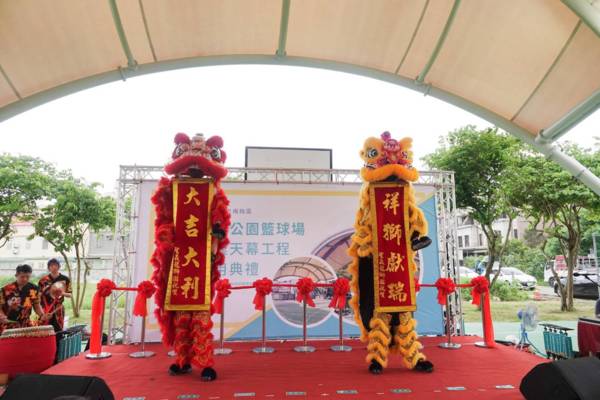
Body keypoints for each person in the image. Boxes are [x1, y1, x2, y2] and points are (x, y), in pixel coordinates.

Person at [0, 264, 47, 333]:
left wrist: (42, 315)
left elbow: (36, 305)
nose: (25, 279)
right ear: (16, 275)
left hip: (25, 324)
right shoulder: (6, 289)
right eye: (22, 277)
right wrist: (1, 316)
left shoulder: (34, 289)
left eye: (27, 277)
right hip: (7, 324)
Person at [38, 258, 72, 332]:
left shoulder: (65, 279)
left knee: (58, 330)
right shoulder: (43, 280)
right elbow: (39, 295)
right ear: (48, 268)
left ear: (59, 267)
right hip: (45, 308)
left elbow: (70, 295)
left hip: (58, 309)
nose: (54, 267)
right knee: (44, 330)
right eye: (51, 265)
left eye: (55, 265)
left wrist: (62, 293)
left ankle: (57, 339)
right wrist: (39, 309)